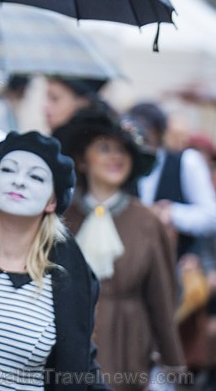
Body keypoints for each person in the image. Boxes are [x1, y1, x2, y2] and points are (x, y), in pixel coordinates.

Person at [0, 131, 106, 390]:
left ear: (52, 201)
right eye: (8, 170)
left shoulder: (70, 279)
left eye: (36, 177)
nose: (19, 182)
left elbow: (80, 365)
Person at [54, 107, 186, 390]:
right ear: (82, 160)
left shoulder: (147, 222)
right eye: (104, 148)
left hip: (129, 349)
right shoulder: (62, 220)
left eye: (124, 151)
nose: (116, 157)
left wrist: (176, 369)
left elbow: (163, 302)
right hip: (71, 350)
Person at [126, 102, 216, 257]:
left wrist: (172, 213)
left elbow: (210, 216)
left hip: (177, 262)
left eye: (147, 133)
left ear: (159, 133)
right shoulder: (123, 163)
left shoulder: (187, 161)